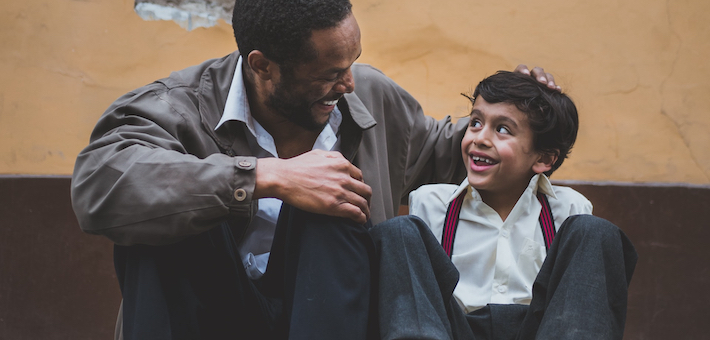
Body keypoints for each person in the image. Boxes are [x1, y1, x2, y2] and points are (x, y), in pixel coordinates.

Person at [70, 0, 559, 338]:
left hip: (337, 316)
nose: (348, 83)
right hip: (210, 315)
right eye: (329, 73)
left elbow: (444, 151)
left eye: (353, 63)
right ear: (262, 66)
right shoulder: (175, 107)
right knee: (164, 224)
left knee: (335, 197)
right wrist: (267, 178)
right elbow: (101, 183)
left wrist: (514, 122)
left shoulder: (370, 95)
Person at [371, 71, 638, 339]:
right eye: (475, 122)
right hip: (451, 331)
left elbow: (575, 301)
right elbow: (422, 301)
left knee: (595, 232)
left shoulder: (568, 210)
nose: (480, 138)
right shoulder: (432, 203)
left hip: (541, 331)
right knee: (399, 230)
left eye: (502, 129)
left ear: (544, 158)